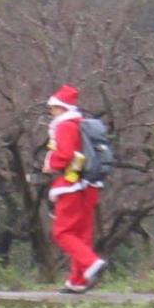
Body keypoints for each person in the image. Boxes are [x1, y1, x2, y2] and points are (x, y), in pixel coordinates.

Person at [43, 84, 107, 294]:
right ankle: (78, 281)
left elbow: (65, 155)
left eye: (52, 108)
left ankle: (91, 263)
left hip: (70, 185)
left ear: (61, 107)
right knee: (82, 233)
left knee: (62, 232)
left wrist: (50, 164)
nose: (51, 112)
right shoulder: (81, 124)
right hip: (89, 185)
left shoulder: (65, 126)